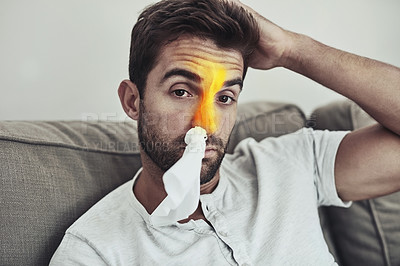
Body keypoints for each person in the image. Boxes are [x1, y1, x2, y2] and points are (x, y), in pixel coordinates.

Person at [50, 0, 400, 265]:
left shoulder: (289, 163)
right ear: (133, 101)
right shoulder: (93, 251)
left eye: (225, 97)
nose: (206, 123)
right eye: (182, 91)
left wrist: (293, 51)